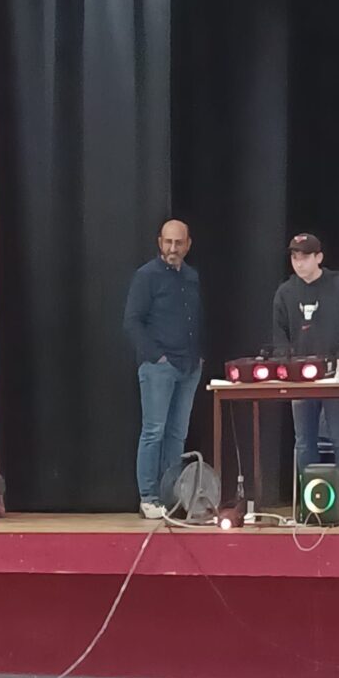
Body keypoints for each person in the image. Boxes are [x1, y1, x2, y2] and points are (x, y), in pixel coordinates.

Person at [124, 220, 203, 518]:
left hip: (189, 365)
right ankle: (148, 496)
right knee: (153, 431)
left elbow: (195, 318)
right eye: (168, 242)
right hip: (160, 366)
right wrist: (156, 356)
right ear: (160, 243)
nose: (173, 248)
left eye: (178, 242)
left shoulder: (191, 277)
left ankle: (171, 495)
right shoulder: (146, 276)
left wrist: (198, 356)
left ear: (188, 245)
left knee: (177, 434)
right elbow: (132, 321)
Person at [273, 233, 339, 471]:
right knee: (304, 441)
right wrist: (286, 366)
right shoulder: (285, 292)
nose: (299, 263)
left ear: (319, 257)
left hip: (334, 375)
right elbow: (280, 336)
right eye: (294, 257)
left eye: (305, 257)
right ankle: (309, 493)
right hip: (300, 377)